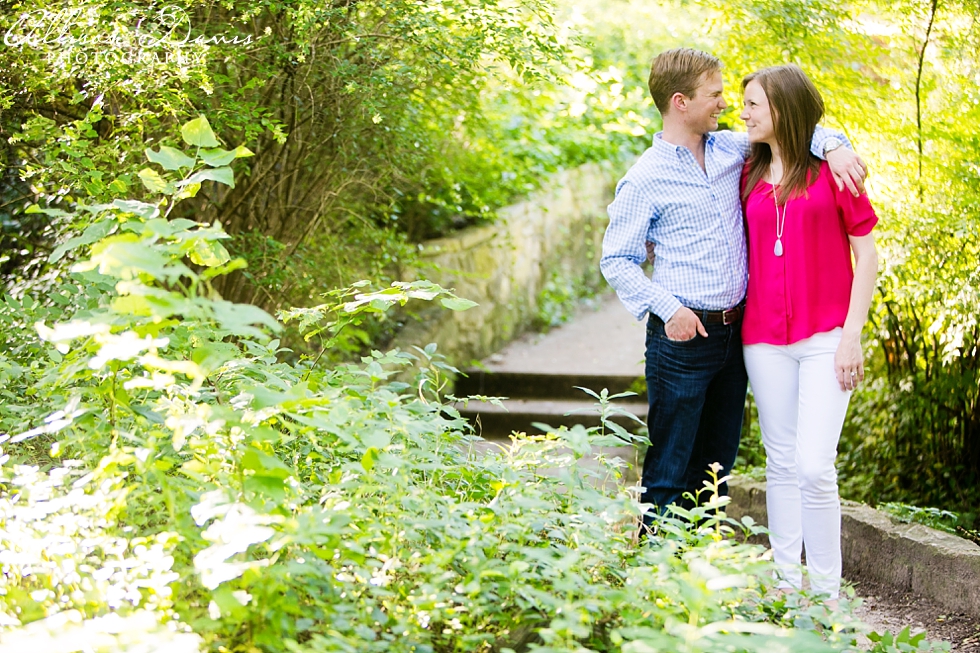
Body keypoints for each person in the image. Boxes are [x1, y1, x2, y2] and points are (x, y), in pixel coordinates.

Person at [599, 48, 867, 530]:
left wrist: (835, 146)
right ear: (680, 102)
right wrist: (668, 308)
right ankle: (658, 580)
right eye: (715, 94)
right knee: (670, 467)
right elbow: (616, 260)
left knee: (716, 469)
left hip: (736, 335)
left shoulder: (731, 151)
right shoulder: (644, 179)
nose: (726, 104)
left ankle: (700, 575)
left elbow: (792, 132)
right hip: (681, 338)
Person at [738, 64, 878, 602]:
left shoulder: (834, 173)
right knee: (781, 460)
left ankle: (825, 597)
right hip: (763, 339)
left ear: (783, 109)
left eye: (754, 105)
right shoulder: (744, 171)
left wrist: (852, 335)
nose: (743, 113)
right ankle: (784, 585)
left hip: (827, 336)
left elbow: (866, 256)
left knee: (815, 466)